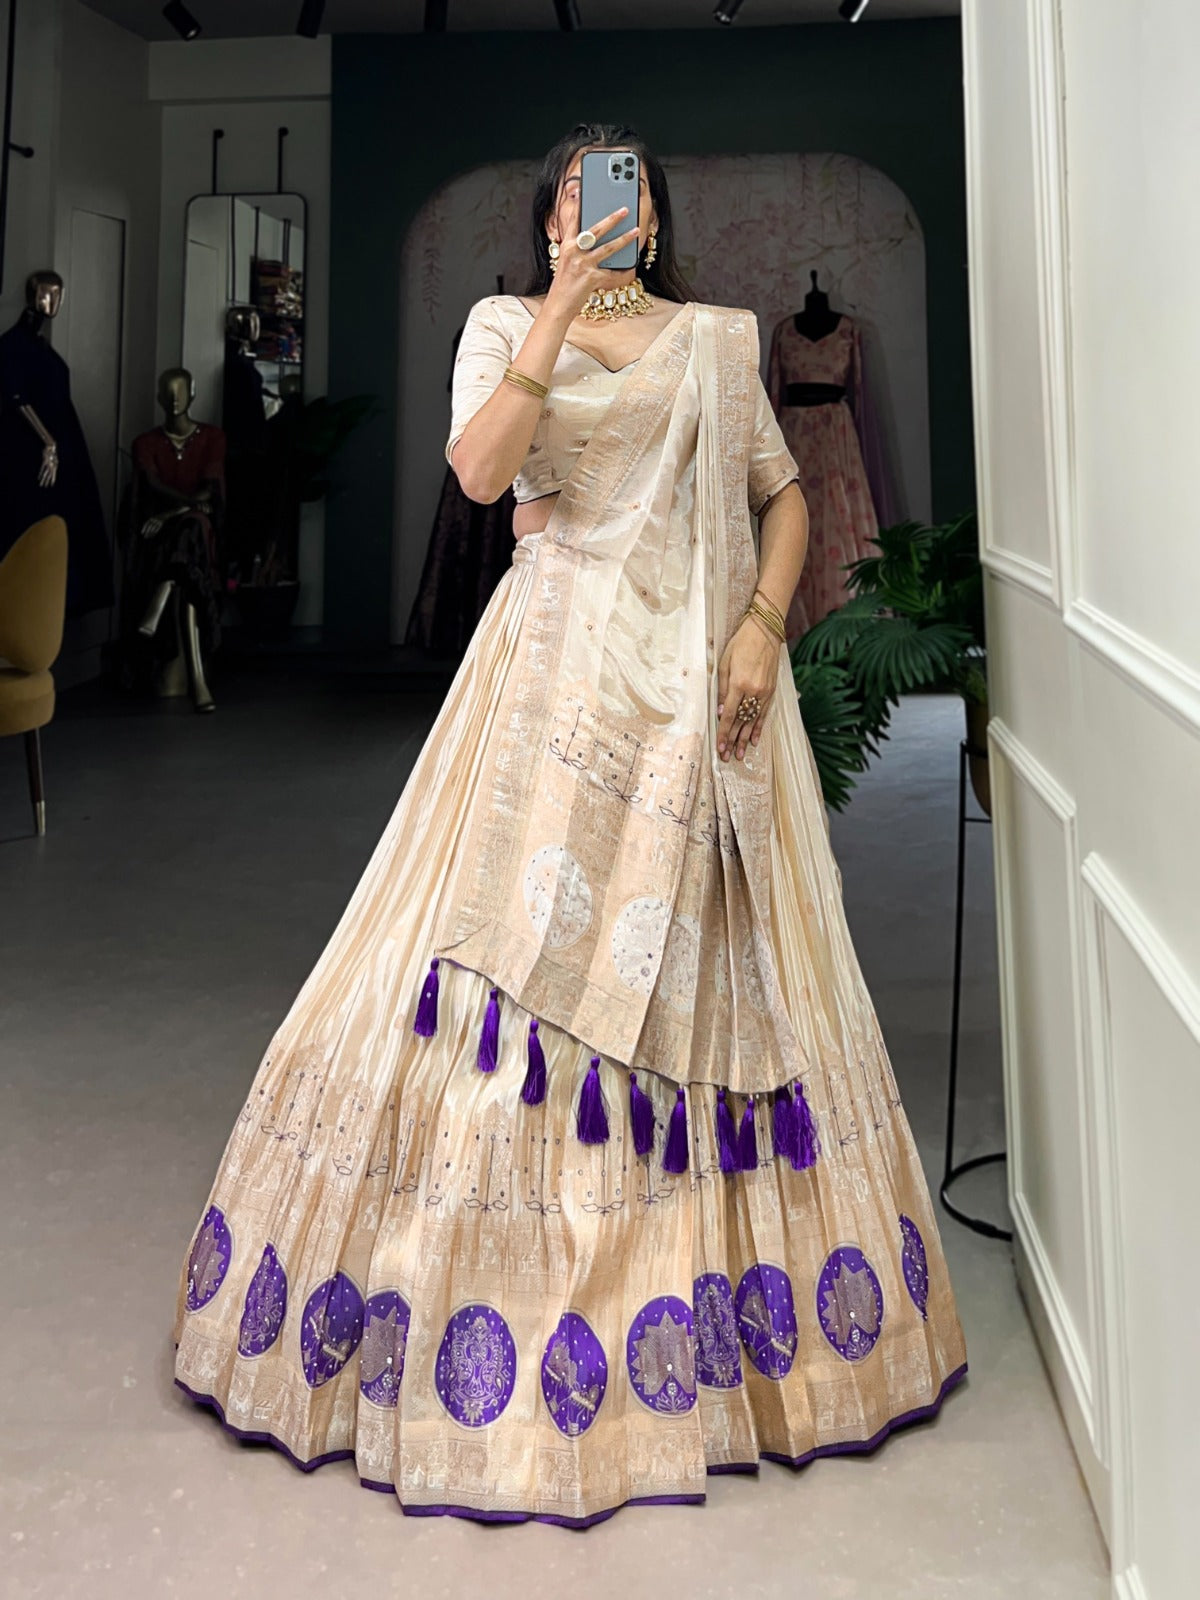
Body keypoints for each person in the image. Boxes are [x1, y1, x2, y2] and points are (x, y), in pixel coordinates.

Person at [172, 123, 968, 1528]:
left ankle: (728, 1339)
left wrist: (761, 626)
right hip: (549, 686)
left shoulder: (717, 342)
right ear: (551, 221)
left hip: (700, 690)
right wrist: (554, 308)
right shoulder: (501, 327)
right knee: (503, 961)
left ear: (653, 219)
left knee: (721, 976)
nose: (611, 207)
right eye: (584, 193)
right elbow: (485, 478)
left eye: (632, 188)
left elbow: (783, 498)